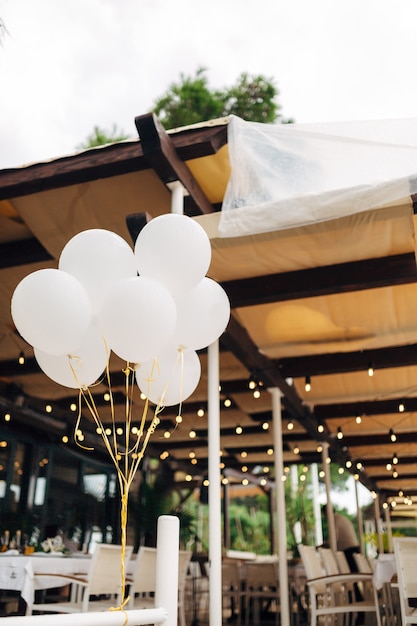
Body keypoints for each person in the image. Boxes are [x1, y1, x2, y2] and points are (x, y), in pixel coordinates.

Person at [321, 504, 360, 572]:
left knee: (350, 575)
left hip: (349, 551)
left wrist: (323, 546)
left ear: (326, 513)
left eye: (324, 515)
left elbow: (333, 539)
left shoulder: (334, 520)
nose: (324, 517)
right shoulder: (341, 518)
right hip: (353, 550)